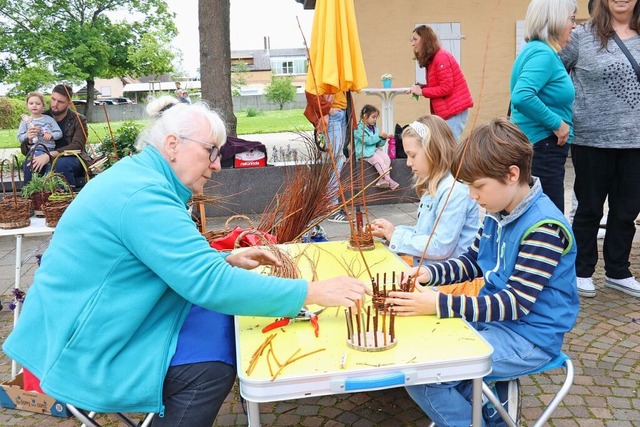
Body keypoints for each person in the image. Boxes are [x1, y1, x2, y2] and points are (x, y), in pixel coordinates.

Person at [3, 96, 370, 426]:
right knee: (211, 365)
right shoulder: (145, 195)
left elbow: (167, 261)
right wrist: (314, 291)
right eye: (211, 151)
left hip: (90, 321)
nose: (216, 165)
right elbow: (209, 286)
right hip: (87, 345)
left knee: (221, 323)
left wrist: (226, 258)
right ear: (173, 145)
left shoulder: (143, 178)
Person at [386, 118, 579, 427]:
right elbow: (471, 262)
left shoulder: (544, 228)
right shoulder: (497, 211)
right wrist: (427, 274)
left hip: (530, 337)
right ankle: (490, 408)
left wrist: (439, 303)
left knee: (423, 376)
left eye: (478, 187)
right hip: (496, 324)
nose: (473, 197)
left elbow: (514, 303)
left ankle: (484, 411)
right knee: (422, 343)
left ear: (512, 175)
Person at [559, 0, 640, 298]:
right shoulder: (582, 36)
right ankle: (581, 270)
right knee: (589, 209)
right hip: (592, 140)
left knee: (626, 210)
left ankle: (618, 271)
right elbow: (554, 73)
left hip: (636, 142)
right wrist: (560, 118)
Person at [370, 115, 479, 269]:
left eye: (412, 155)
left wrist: (395, 236)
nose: (408, 163)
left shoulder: (453, 190)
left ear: (433, 151)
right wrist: (390, 231)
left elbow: (440, 247)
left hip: (451, 280)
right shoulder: (435, 185)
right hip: (433, 271)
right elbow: (424, 233)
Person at [510, 0, 577, 214]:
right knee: (549, 214)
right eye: (571, 19)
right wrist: (558, 124)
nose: (574, 26)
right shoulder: (543, 54)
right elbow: (521, 96)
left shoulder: (535, 50)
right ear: (555, 20)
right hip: (543, 147)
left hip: (537, 146)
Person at [408, 24, 474, 141]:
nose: (412, 43)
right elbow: (438, 85)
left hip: (454, 113)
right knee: (444, 149)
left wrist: (422, 91)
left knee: (448, 150)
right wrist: (421, 87)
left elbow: (446, 88)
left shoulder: (441, 57)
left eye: (415, 39)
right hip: (448, 113)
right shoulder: (434, 59)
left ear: (425, 40)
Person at [20, 84, 90, 188]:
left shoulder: (78, 119)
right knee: (29, 164)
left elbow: (77, 145)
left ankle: (65, 197)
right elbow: (24, 150)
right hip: (43, 154)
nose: (55, 104)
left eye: (60, 102)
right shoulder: (40, 117)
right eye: (53, 99)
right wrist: (29, 140)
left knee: (60, 164)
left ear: (69, 103)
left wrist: (49, 155)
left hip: (71, 157)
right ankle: (32, 198)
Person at [303, 89, 354, 223]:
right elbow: (312, 89)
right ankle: (331, 206)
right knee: (334, 160)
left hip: (340, 113)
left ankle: (330, 204)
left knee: (338, 158)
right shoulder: (325, 68)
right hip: (333, 115)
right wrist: (325, 111)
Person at [353, 104, 398, 190]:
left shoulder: (374, 127)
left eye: (376, 117)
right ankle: (388, 180)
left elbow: (378, 144)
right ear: (365, 116)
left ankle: (381, 179)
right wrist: (379, 137)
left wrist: (383, 138)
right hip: (364, 152)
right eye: (373, 117)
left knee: (386, 158)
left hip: (373, 150)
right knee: (378, 160)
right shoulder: (358, 128)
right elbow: (367, 140)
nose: (375, 119)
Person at [17, 92, 62, 164]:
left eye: (38, 104)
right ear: (27, 105)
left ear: (43, 105)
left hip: (50, 148)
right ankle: (39, 173)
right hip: (36, 148)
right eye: (31, 103)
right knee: (37, 158)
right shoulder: (25, 122)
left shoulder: (49, 119)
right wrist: (28, 136)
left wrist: (51, 135)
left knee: (51, 163)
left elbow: (59, 133)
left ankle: (44, 172)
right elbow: (20, 137)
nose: (34, 106)